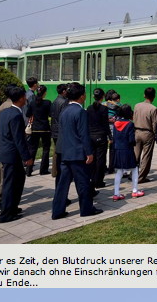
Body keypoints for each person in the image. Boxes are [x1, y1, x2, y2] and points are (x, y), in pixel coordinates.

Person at [51, 83, 102, 220]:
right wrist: (89, 153)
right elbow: (83, 134)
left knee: (62, 184)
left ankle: (57, 210)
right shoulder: (80, 112)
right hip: (77, 153)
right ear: (81, 96)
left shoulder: (65, 110)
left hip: (64, 152)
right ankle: (86, 209)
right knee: (83, 183)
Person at [0, 85, 34, 223]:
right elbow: (19, 139)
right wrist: (27, 157)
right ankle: (6, 214)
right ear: (21, 98)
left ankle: (12, 207)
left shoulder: (5, 112)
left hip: (6, 153)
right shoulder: (16, 115)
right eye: (24, 96)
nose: (26, 99)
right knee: (11, 184)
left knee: (17, 182)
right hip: (12, 155)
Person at [112, 105, 143, 200]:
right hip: (127, 149)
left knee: (119, 171)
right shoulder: (130, 124)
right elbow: (131, 140)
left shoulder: (115, 123)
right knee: (134, 169)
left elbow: (115, 137)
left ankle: (116, 193)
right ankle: (135, 190)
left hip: (118, 149)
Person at [87, 88, 112, 189]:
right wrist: (110, 136)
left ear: (93, 96)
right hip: (101, 136)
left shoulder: (89, 108)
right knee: (101, 159)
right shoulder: (104, 109)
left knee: (92, 158)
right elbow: (105, 124)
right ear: (103, 97)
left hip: (91, 136)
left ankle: (92, 179)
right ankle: (99, 181)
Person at [25, 85, 52, 176]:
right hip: (45, 128)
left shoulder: (32, 102)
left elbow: (28, 113)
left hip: (35, 128)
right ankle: (43, 169)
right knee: (46, 149)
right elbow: (51, 114)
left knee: (33, 149)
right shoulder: (47, 103)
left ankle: (29, 170)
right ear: (44, 93)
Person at [133, 87, 157, 183]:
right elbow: (154, 124)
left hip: (137, 131)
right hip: (148, 133)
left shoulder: (137, 106)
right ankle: (141, 177)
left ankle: (133, 175)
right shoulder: (153, 108)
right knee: (146, 156)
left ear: (144, 95)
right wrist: (155, 134)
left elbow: (134, 118)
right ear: (154, 97)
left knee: (136, 155)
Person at [50, 83, 68, 182]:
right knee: (61, 154)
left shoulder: (55, 101)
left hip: (54, 129)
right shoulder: (64, 102)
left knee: (56, 152)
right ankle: (59, 172)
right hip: (60, 130)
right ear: (64, 91)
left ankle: (55, 171)